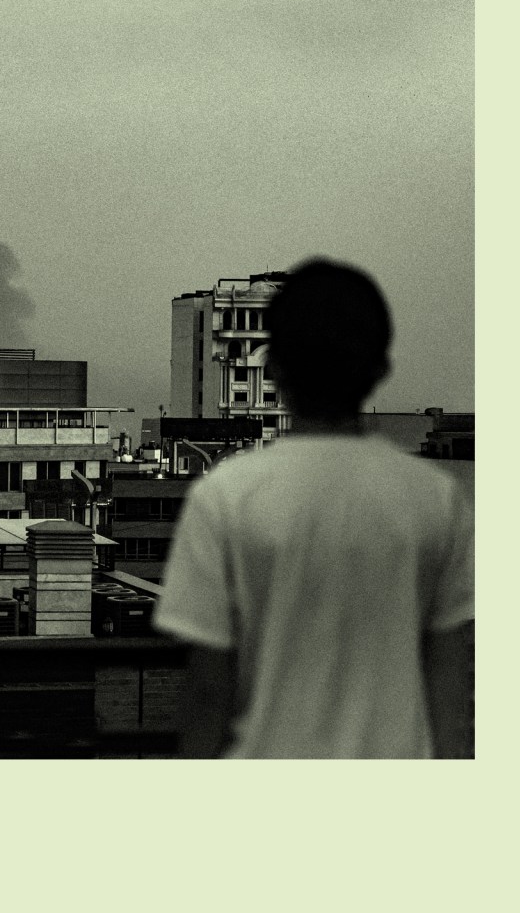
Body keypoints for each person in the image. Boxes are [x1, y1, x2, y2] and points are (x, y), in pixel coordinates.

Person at [152, 258, 474, 758]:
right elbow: (450, 688)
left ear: (274, 366)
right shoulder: (436, 499)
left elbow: (208, 691)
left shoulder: (225, 497)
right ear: (381, 368)